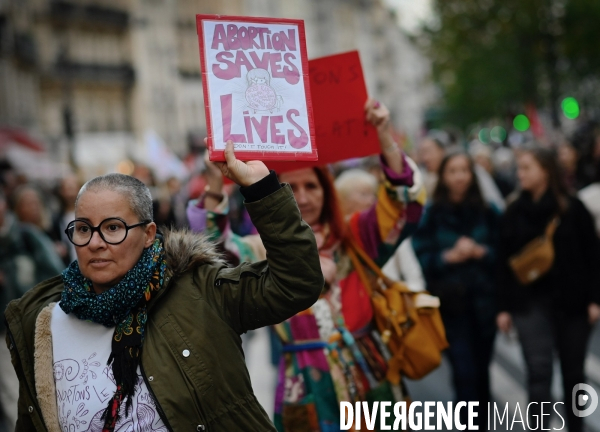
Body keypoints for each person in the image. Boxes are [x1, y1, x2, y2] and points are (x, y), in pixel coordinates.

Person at [4, 146, 323, 432]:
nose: (95, 243)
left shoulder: (200, 291)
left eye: (113, 228)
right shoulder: (41, 323)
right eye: (84, 229)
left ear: (148, 234)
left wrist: (261, 188)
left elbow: (296, 283)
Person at [188, 100, 425, 431]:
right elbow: (214, 258)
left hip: (370, 376)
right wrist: (216, 183)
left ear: (327, 192)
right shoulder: (262, 248)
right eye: (291, 188)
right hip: (304, 385)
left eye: (311, 186)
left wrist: (384, 136)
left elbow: (404, 207)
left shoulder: (354, 237)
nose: (302, 197)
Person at [496, 147, 600, 432]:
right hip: (529, 303)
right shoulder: (514, 211)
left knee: (574, 374)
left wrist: (594, 299)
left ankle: (576, 426)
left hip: (572, 302)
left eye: (527, 167)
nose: (521, 173)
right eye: (520, 168)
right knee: (538, 372)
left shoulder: (572, 207)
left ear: (545, 169)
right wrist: (504, 307)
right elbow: (503, 262)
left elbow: (592, 255)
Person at [412, 151, 500, 426]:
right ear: (443, 176)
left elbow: (505, 254)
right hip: (451, 305)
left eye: (464, 170)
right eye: (453, 171)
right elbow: (421, 258)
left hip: (485, 304)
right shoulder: (431, 215)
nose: (459, 176)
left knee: (482, 371)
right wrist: (447, 257)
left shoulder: (488, 212)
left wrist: (480, 252)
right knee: (464, 373)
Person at [0, 190, 64, 430]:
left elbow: (54, 273)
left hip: (32, 322)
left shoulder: (27, 236)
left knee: (40, 383)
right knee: (10, 388)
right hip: (2, 329)